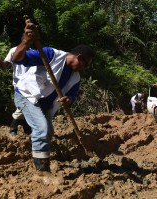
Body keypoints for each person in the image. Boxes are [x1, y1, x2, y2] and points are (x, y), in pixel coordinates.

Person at [12, 21, 95, 173]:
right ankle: (42, 171)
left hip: (44, 107)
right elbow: (17, 59)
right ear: (79, 57)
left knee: (48, 131)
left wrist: (68, 100)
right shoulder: (51, 55)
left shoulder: (75, 78)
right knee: (42, 129)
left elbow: (71, 96)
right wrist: (26, 41)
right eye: (85, 65)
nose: (84, 69)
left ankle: (37, 149)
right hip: (27, 96)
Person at [0, 46, 31, 136]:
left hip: (31, 85)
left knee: (28, 105)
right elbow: (4, 66)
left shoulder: (33, 52)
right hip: (19, 84)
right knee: (23, 104)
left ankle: (25, 127)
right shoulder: (14, 51)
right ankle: (14, 126)